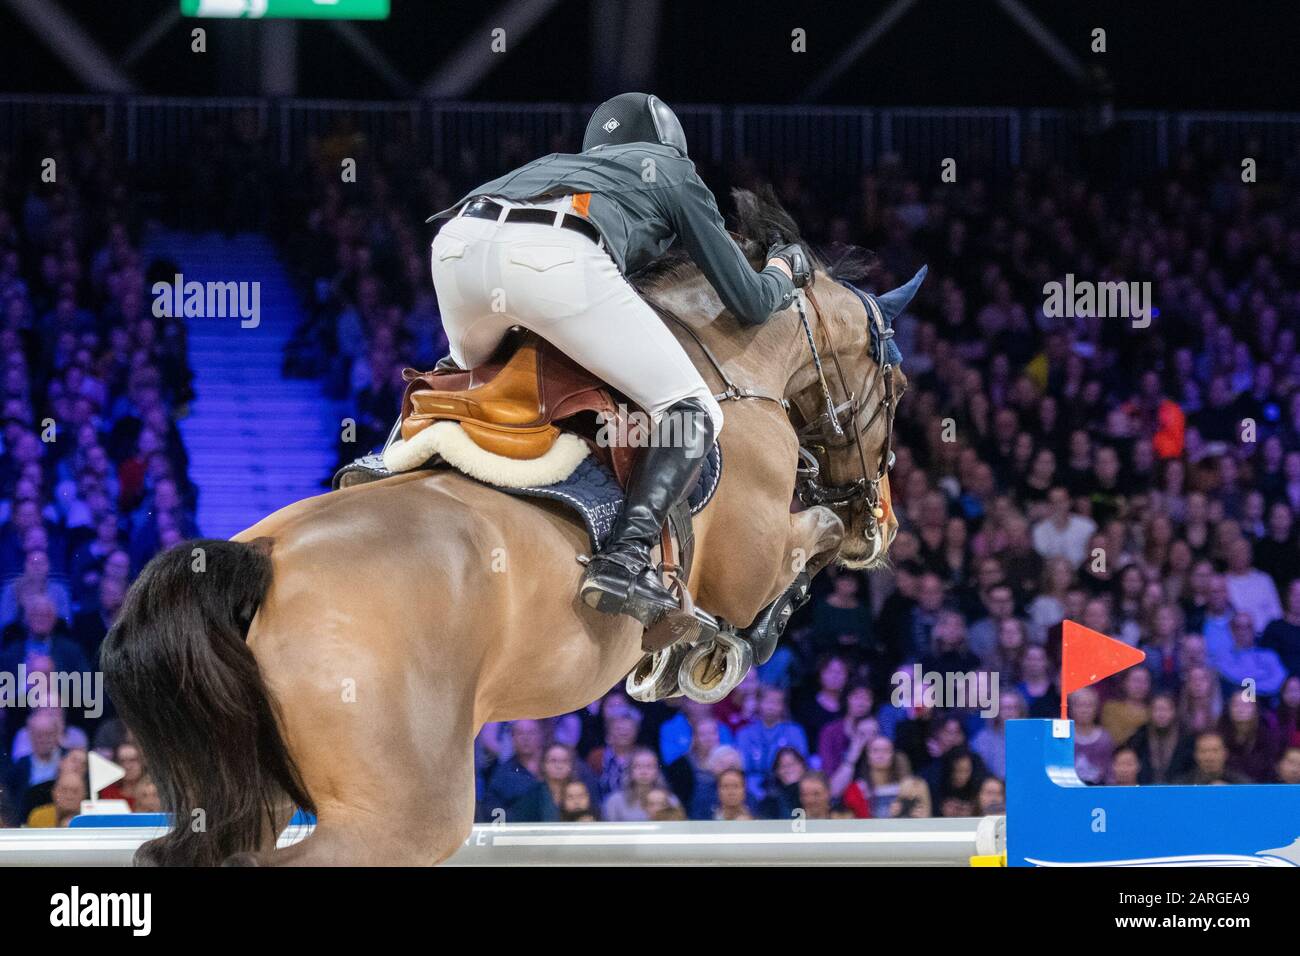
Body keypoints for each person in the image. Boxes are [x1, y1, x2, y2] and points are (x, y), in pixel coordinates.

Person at [426, 92, 808, 628]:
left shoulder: (554, 163)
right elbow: (750, 301)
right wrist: (784, 272)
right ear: (668, 145)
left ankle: (391, 457)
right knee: (693, 409)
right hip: (554, 261)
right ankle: (626, 557)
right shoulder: (673, 169)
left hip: (457, 248)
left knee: (460, 378)